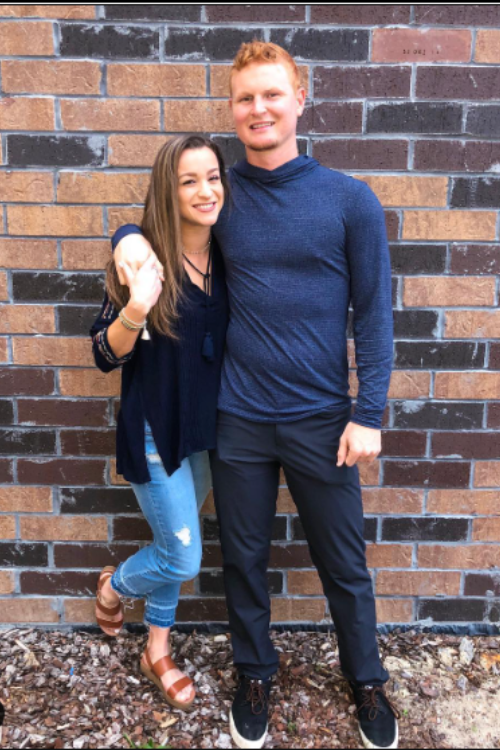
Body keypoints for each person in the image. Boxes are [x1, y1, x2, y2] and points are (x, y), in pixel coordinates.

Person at [112, 42, 400, 750]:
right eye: (245, 99)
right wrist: (125, 240)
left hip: (323, 419)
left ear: (300, 99)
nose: (259, 109)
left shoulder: (348, 200)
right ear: (232, 110)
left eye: (272, 95)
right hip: (238, 418)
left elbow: (376, 314)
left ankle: (366, 680)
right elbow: (155, 219)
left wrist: (369, 413)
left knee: (344, 564)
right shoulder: (222, 194)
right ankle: (254, 675)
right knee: (243, 558)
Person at [90, 134, 229, 712]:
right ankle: (112, 586)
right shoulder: (143, 260)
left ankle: (158, 650)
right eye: (189, 180)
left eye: (214, 177)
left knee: (178, 541)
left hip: (208, 432)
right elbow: (103, 352)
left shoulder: (228, 254)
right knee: (181, 555)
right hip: (156, 430)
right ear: (167, 192)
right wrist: (136, 309)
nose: (205, 190)